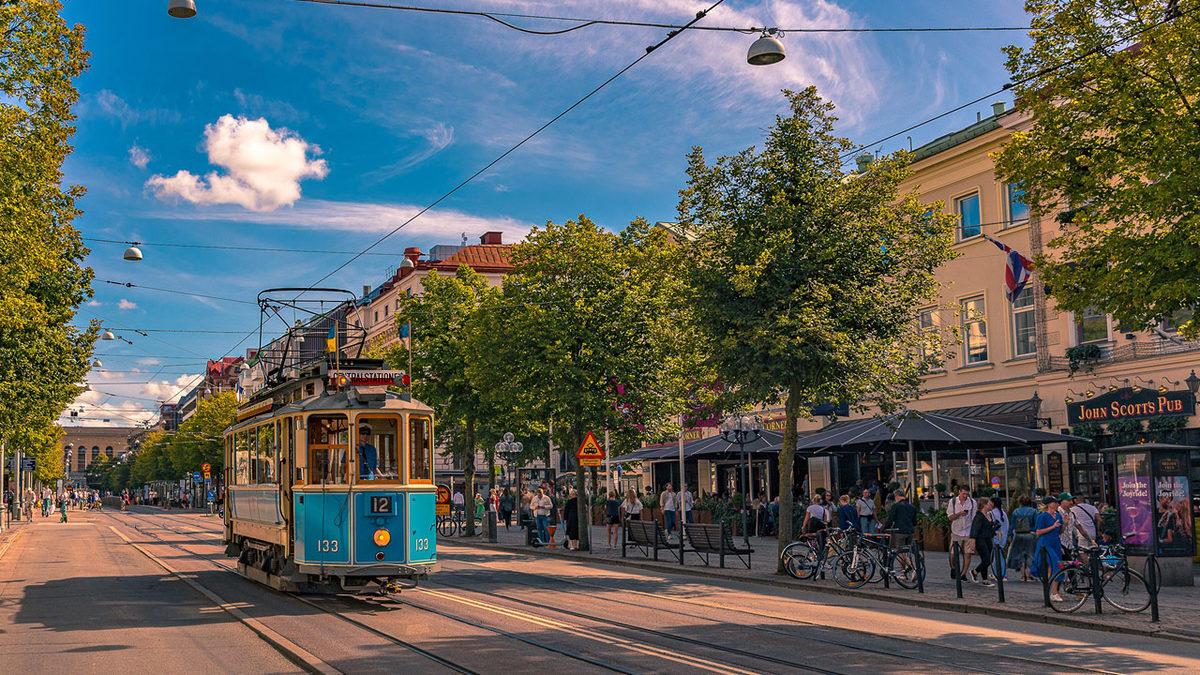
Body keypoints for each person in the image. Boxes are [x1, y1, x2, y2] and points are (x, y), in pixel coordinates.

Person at [1032, 495, 1066, 602]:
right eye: (1055, 502)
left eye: (1057, 502)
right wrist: (1053, 526)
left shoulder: (1058, 515)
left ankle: (1053, 591)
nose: (1057, 504)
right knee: (1057, 566)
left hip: (1056, 543)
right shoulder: (1042, 516)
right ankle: (1054, 592)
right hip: (1045, 544)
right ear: (1049, 504)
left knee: (1055, 567)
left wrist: (1065, 523)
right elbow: (1038, 532)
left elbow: (1060, 531)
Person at [882, 491, 918, 574]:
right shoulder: (912, 507)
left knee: (900, 553)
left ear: (897, 496)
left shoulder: (896, 506)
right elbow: (915, 522)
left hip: (899, 532)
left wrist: (884, 528)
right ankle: (903, 574)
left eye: (895, 497)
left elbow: (890, 520)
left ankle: (913, 569)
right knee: (906, 552)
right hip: (910, 532)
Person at [947, 486, 977, 580]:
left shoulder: (972, 502)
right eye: (963, 493)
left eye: (967, 494)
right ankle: (953, 568)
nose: (965, 496)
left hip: (968, 531)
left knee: (968, 554)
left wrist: (974, 533)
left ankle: (963, 574)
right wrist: (959, 514)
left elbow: (974, 517)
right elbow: (950, 517)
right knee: (952, 554)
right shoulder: (953, 502)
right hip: (956, 531)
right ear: (959, 492)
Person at [1008, 496, 1038, 581]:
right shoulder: (1034, 511)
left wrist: (1010, 535)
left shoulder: (1016, 511)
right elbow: (1036, 524)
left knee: (1020, 555)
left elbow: (1012, 525)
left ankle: (1022, 575)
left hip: (1018, 535)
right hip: (1030, 534)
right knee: (1030, 554)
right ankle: (1028, 575)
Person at [969, 497, 996, 586]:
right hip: (980, 539)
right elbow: (974, 528)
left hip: (988, 538)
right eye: (989, 504)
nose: (991, 505)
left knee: (989, 558)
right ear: (984, 505)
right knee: (987, 558)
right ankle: (975, 572)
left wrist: (996, 530)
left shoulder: (989, 514)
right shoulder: (979, 516)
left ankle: (983, 578)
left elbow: (990, 527)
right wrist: (973, 540)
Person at [990, 496, 1009, 582]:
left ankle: (999, 574)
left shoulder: (992, 513)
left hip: (996, 537)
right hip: (1003, 537)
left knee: (997, 556)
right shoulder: (1003, 513)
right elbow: (1007, 526)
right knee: (1000, 555)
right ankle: (1000, 573)